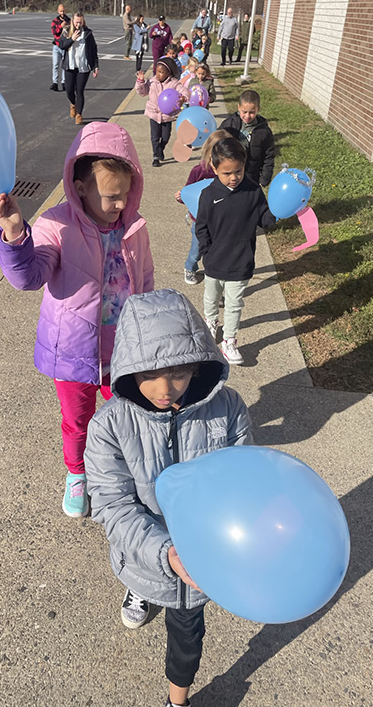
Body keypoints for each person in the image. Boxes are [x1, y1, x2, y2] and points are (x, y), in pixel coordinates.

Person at [85, 287, 252, 707]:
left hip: (199, 561)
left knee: (188, 637)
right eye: (148, 375)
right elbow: (113, 503)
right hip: (150, 550)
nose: (165, 389)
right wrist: (164, 553)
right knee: (142, 572)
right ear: (128, 369)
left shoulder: (228, 408)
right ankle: (141, 586)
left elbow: (244, 479)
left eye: (179, 373)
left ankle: (177, 702)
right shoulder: (109, 424)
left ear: (198, 365)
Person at [0, 122, 154, 517]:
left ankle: (120, 471)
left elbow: (146, 282)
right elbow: (29, 277)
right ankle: (77, 472)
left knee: (130, 417)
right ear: (81, 188)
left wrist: (150, 332)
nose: (120, 204)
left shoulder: (134, 228)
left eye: (126, 194)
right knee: (77, 422)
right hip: (73, 353)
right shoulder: (55, 225)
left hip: (123, 351)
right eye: (111, 196)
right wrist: (15, 235)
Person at [195, 135, 276, 364]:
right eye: (227, 173)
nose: (233, 178)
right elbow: (201, 227)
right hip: (214, 262)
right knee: (211, 298)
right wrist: (206, 251)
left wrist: (279, 211)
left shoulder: (252, 192)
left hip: (241, 261)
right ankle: (211, 323)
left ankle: (229, 340)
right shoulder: (208, 195)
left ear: (244, 166)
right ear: (214, 168)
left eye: (238, 172)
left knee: (234, 304)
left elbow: (264, 218)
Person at [175, 129, 227, 285]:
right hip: (200, 220)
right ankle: (190, 267)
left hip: (221, 220)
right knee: (198, 247)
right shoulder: (199, 170)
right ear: (208, 152)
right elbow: (189, 192)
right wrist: (181, 197)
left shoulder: (228, 172)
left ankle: (214, 277)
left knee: (217, 251)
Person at [135, 57, 189, 167]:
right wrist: (140, 81)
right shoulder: (152, 81)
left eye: (161, 72)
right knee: (154, 137)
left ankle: (161, 149)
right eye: (157, 71)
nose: (158, 74)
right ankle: (155, 156)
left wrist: (184, 97)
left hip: (167, 115)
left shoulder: (173, 83)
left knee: (165, 137)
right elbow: (142, 92)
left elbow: (183, 90)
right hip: (153, 113)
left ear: (168, 73)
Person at [219, 89, 275, 187]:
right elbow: (217, 145)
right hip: (230, 175)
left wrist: (264, 178)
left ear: (258, 109)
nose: (247, 116)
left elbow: (268, 156)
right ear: (238, 107)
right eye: (244, 112)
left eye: (252, 112)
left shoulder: (264, 131)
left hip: (251, 176)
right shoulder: (229, 124)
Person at [59, 11, 99, 125]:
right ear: (72, 21)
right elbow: (62, 46)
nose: (78, 25)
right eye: (76, 22)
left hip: (83, 67)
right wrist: (71, 39)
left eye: (80, 22)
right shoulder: (66, 31)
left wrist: (96, 66)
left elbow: (93, 50)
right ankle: (73, 104)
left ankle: (79, 114)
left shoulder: (87, 33)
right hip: (70, 66)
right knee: (69, 89)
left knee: (79, 91)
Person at [50, 4, 70, 91]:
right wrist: (61, 26)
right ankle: (55, 82)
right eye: (61, 11)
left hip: (65, 46)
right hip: (57, 46)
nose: (62, 13)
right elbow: (54, 32)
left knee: (64, 66)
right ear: (58, 11)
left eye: (64, 11)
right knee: (55, 65)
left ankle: (64, 82)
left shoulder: (69, 21)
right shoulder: (55, 21)